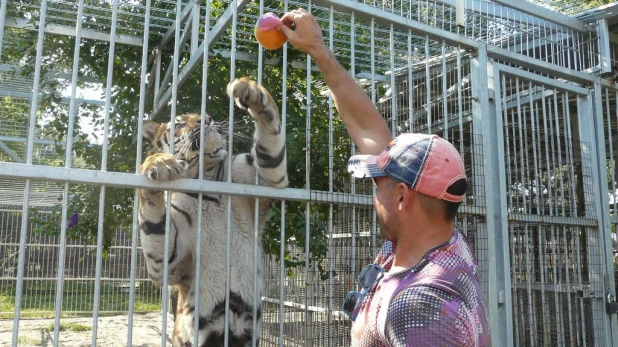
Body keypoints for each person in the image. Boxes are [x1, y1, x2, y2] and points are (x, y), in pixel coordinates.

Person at [277, 9, 491, 347]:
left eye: (378, 186)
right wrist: (318, 49)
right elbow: (367, 128)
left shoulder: (420, 306)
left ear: (403, 197)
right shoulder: (441, 242)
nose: (374, 196)